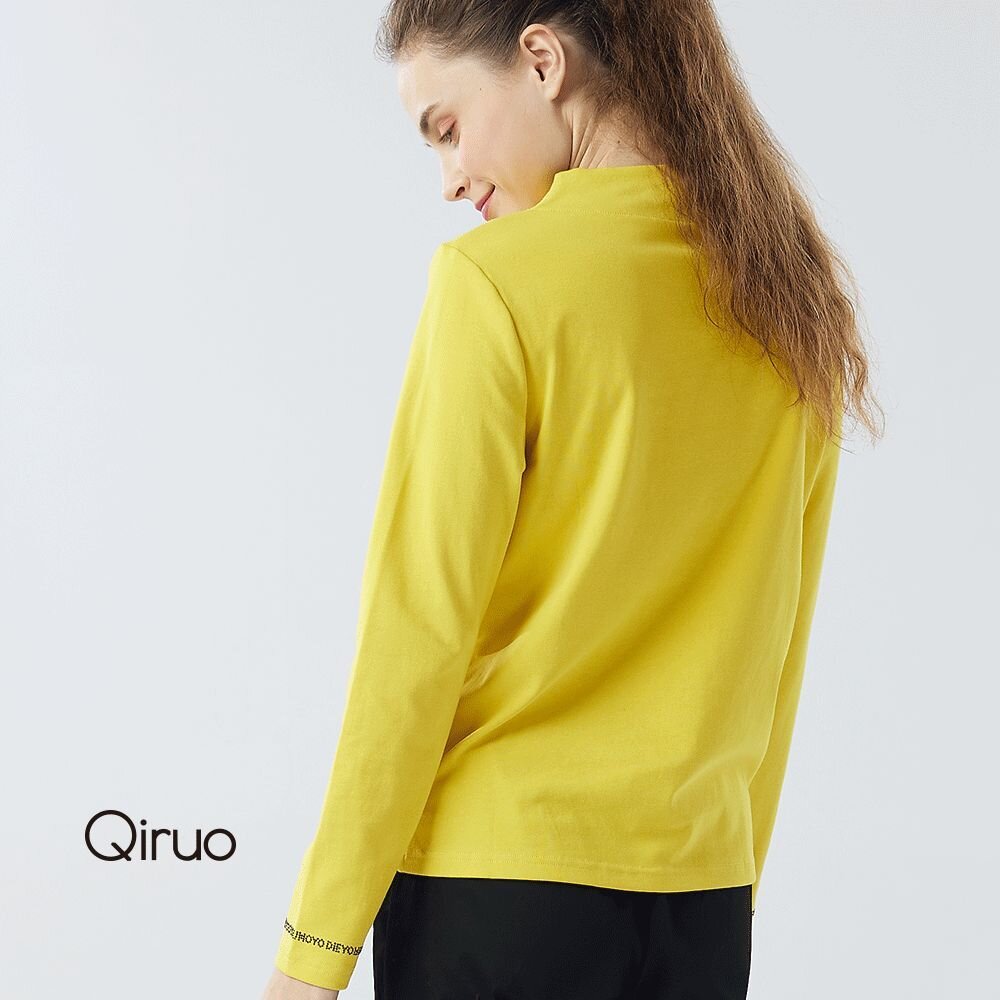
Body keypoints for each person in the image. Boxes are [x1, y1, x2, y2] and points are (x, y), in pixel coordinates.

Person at [263, 1, 883, 997]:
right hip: (699, 905)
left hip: (496, 894)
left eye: (446, 127)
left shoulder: (493, 283)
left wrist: (313, 952)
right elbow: (778, 646)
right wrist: (728, 886)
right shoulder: (789, 298)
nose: (449, 177)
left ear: (543, 60)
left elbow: (415, 641)